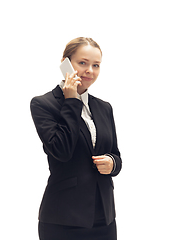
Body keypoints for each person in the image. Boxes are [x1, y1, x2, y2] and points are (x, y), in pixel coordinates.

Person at [30, 37, 122, 240]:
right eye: (83, 63)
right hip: (63, 218)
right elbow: (62, 150)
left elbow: (115, 154)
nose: (90, 70)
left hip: (104, 218)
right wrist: (71, 101)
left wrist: (112, 163)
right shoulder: (43, 104)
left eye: (96, 65)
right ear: (65, 63)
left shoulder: (104, 107)